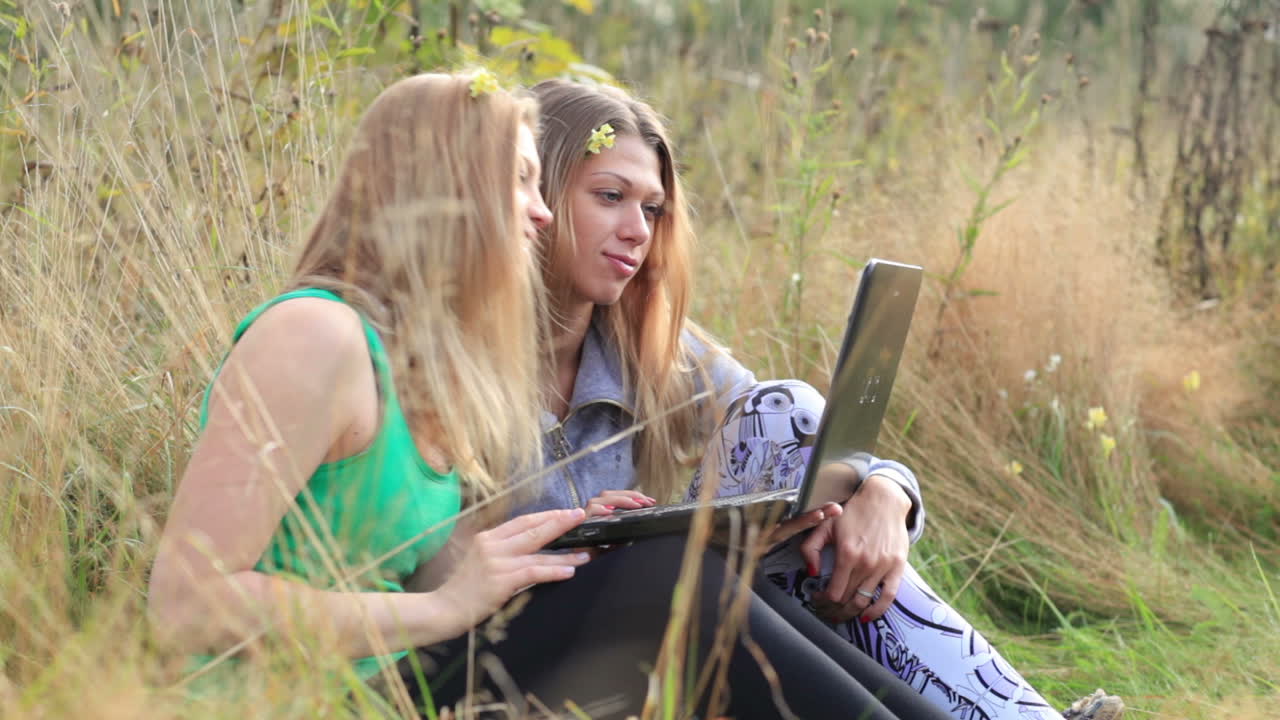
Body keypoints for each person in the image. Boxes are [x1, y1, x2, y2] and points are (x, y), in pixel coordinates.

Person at [516, 78, 1125, 720]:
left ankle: (1018, 716)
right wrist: (589, 541)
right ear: (537, 191)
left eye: (654, 209)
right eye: (610, 197)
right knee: (689, 559)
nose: (637, 231)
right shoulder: (446, 360)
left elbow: (788, 434)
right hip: (538, 647)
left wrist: (887, 492)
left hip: (670, 607)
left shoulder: (645, 345)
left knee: (786, 415)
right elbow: (432, 556)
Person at [146, 71, 589, 690]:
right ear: (446, 182)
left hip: (383, 690)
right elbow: (184, 605)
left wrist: (572, 538)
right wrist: (442, 609)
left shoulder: (429, 364)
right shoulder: (314, 335)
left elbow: (398, 582)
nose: (543, 213)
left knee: (654, 572)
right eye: (519, 179)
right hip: (263, 701)